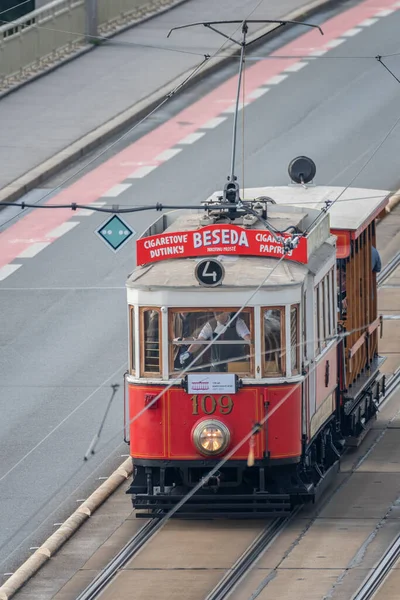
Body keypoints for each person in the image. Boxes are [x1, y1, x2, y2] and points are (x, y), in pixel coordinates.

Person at [180, 311, 250, 372]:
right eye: (215, 312)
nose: (217, 315)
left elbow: (248, 338)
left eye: (220, 312)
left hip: (235, 366)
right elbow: (200, 340)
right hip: (216, 368)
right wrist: (188, 352)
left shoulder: (238, 322)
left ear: (227, 312)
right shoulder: (210, 324)